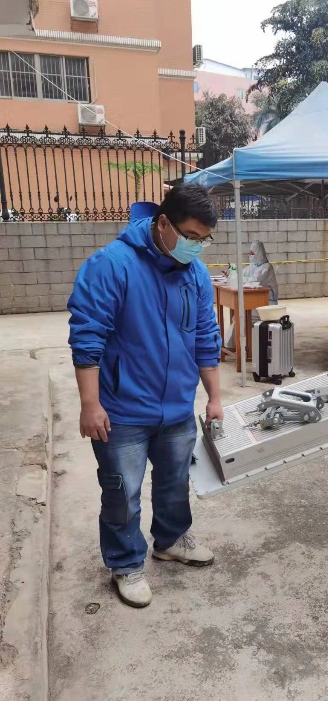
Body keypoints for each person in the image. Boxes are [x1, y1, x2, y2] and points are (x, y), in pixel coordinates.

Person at [68, 185, 223, 608]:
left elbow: (205, 338)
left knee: (175, 481)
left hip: (176, 406)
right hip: (123, 411)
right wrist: (90, 404)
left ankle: (170, 540)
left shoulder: (195, 274)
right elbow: (87, 339)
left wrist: (213, 398)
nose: (197, 246)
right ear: (163, 223)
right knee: (122, 492)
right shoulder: (111, 265)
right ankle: (125, 563)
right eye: (190, 236)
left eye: (204, 239)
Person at [243, 240, 279, 305]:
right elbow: (242, 274)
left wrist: (245, 279)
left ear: (259, 253)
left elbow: (255, 280)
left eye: (252, 254)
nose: (250, 256)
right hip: (256, 298)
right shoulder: (252, 266)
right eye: (250, 253)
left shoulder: (267, 267)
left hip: (268, 301)